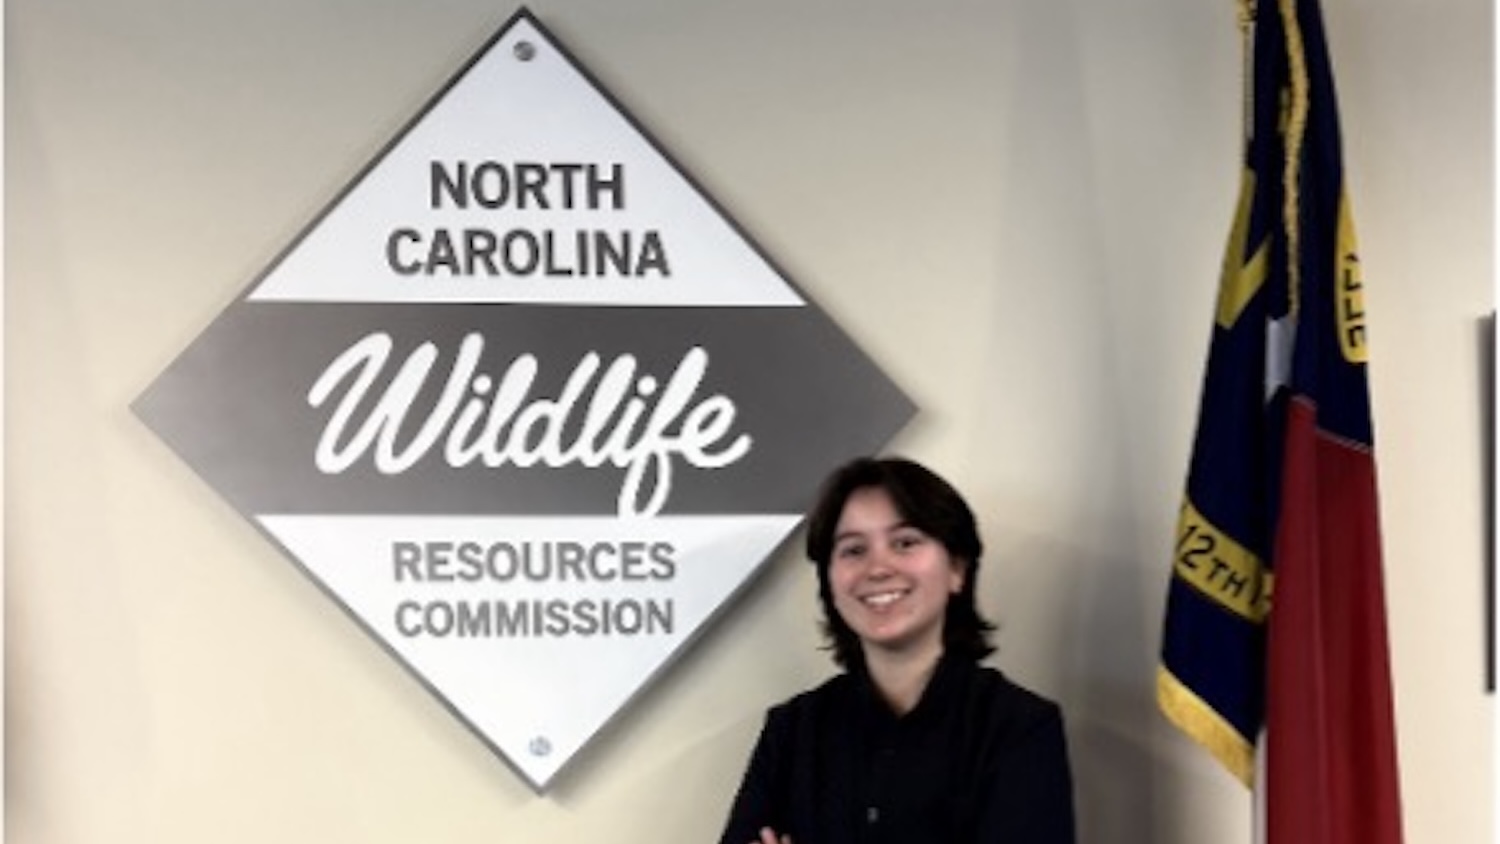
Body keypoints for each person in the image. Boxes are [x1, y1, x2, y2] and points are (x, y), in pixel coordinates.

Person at [717, 456, 1076, 844]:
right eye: (853, 550)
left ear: (957, 568)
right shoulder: (791, 732)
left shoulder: (1017, 727)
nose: (878, 568)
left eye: (905, 543)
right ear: (830, 584)